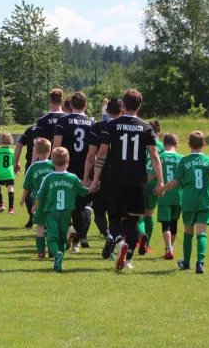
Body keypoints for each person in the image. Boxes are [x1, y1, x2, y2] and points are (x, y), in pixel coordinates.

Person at [91, 89, 164, 271]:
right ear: (139, 105)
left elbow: (101, 154)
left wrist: (96, 178)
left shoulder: (111, 125)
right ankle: (129, 259)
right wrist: (161, 182)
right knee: (132, 221)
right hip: (137, 180)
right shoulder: (147, 127)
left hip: (116, 178)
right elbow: (154, 156)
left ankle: (119, 241)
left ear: (123, 105)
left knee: (114, 217)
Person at [157, 131, 209, 274]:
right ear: (204, 145)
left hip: (188, 201)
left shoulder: (184, 161)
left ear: (189, 144)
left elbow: (174, 182)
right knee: (202, 233)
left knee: (188, 232)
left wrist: (162, 189)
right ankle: (200, 263)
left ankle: (186, 262)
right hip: (204, 201)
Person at [31, 147, 97, 272]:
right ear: (68, 161)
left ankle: (56, 254)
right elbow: (83, 192)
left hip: (52, 213)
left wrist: (35, 206)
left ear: (52, 161)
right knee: (62, 238)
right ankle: (59, 261)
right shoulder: (72, 178)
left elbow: (40, 194)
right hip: (67, 213)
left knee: (51, 238)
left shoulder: (49, 178)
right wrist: (92, 188)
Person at [53, 91, 98, 252]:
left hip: (67, 168)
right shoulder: (93, 124)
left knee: (64, 204)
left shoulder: (62, 121)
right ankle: (77, 242)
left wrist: (56, 166)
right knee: (81, 206)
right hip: (86, 168)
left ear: (70, 105)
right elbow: (96, 151)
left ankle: (69, 229)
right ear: (86, 105)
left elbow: (57, 147)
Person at [83, 98, 123, 260]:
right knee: (117, 212)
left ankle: (108, 236)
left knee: (99, 210)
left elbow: (92, 155)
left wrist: (87, 176)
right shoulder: (125, 126)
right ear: (122, 110)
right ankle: (117, 239)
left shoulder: (99, 126)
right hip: (121, 174)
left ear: (106, 111)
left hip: (101, 173)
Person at [21, 138, 55, 258]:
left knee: (40, 227)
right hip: (52, 201)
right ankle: (52, 249)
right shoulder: (53, 165)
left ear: (35, 150)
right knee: (51, 226)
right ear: (50, 150)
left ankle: (41, 251)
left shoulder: (33, 168)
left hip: (38, 201)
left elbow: (26, 186)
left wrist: (22, 199)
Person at [152, 133, 183, 260]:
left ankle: (168, 248)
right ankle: (170, 248)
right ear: (177, 144)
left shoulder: (160, 157)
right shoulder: (182, 158)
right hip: (178, 194)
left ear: (164, 144)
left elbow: (153, 174)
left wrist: (156, 186)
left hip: (164, 194)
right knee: (174, 222)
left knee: (166, 223)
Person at [138, 120, 165, 254]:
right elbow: (161, 163)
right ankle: (146, 245)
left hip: (140, 181)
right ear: (158, 132)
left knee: (139, 215)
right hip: (154, 183)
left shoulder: (141, 143)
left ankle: (140, 238)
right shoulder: (160, 146)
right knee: (150, 214)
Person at [32, 88, 66, 164]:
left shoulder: (43, 120)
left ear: (50, 101)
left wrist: (32, 165)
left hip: (48, 164)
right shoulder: (67, 119)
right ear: (62, 102)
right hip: (66, 163)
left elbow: (38, 145)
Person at [14, 124, 36, 228]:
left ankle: (32, 215)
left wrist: (16, 162)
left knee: (28, 190)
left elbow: (19, 145)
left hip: (31, 164)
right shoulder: (53, 125)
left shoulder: (30, 129)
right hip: (49, 163)